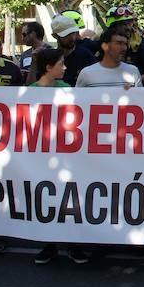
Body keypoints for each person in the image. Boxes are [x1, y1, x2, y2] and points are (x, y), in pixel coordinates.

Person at [25, 49, 89, 265]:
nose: (65, 67)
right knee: (46, 199)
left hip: (65, 154)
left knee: (69, 199)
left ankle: (73, 245)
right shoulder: (30, 92)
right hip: (42, 156)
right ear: (48, 67)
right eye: (61, 64)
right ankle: (49, 245)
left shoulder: (66, 89)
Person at [103, 5, 144, 83]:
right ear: (113, 27)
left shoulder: (139, 46)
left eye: (130, 23)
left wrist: (134, 81)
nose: (128, 27)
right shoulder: (99, 47)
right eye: (124, 24)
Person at [75, 29, 142, 89]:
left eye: (125, 44)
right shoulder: (86, 73)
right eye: (119, 43)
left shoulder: (133, 71)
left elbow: (140, 98)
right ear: (105, 46)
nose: (124, 48)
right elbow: (78, 98)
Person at [49, 15, 97, 87]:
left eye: (73, 33)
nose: (72, 38)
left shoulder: (85, 55)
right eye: (66, 34)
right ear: (55, 36)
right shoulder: (50, 58)